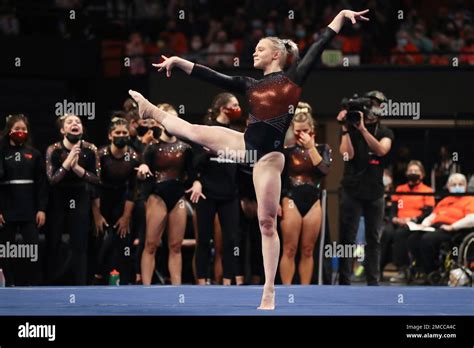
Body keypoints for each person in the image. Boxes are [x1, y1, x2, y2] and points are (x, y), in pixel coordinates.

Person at [130, 9, 370, 309]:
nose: (253, 52)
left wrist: (340, 17)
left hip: (268, 157)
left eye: (260, 49)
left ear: (276, 55)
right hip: (244, 144)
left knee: (266, 223)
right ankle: (151, 111)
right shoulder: (250, 84)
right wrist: (179, 62)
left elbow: (320, 43)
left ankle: (269, 290)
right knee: (191, 131)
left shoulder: (293, 78)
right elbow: (213, 76)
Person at [337, 90, 394, 286]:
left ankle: (373, 281)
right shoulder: (350, 128)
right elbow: (346, 155)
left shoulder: (386, 132)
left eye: (377, 105)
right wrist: (346, 129)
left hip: (375, 191)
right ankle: (344, 281)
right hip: (352, 189)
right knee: (348, 237)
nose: (372, 108)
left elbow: (381, 150)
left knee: (373, 238)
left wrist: (362, 129)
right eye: (370, 104)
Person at [136, 105, 196, 285]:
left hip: (178, 196)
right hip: (157, 196)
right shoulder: (152, 147)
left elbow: (192, 175)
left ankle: (176, 289)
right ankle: (146, 287)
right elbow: (142, 169)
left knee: (175, 246)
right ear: (160, 122)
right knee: (151, 244)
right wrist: (143, 170)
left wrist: (197, 183)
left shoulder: (186, 148)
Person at [192, 93, 244, 286]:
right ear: (223, 108)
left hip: (230, 193)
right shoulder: (207, 130)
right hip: (207, 192)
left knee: (231, 239)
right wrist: (197, 179)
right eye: (235, 105)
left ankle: (228, 280)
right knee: (204, 239)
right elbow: (194, 161)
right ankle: (202, 281)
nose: (239, 108)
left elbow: (242, 166)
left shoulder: (236, 132)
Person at [45, 114, 100, 285]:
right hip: (58, 198)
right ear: (62, 130)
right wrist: (67, 162)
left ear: (82, 129)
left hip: (80, 195)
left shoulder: (90, 149)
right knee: (53, 241)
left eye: (78, 122)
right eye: (70, 122)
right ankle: (50, 283)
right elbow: (52, 180)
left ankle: (80, 284)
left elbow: (97, 179)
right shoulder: (53, 149)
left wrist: (77, 168)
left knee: (80, 243)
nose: (75, 124)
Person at [279, 111, 331, 284]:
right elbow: (280, 178)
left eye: (305, 131)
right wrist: (277, 201)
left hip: (313, 201)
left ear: (312, 129)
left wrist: (311, 148)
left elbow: (323, 170)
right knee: (290, 248)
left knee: (308, 249)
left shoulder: (323, 149)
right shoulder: (287, 151)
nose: (301, 135)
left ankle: (304, 290)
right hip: (291, 199)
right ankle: (286, 290)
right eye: (297, 131)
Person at [0, 114, 48, 286]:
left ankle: (30, 283)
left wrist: (41, 209)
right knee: (6, 249)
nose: (20, 132)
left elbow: (42, 184)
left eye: (23, 129)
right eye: (17, 129)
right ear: (9, 131)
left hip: (29, 209)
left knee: (32, 248)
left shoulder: (34, 154)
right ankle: (10, 282)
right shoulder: (2, 153)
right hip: (7, 209)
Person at [92, 117, 140, 284]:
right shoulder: (101, 155)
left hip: (122, 200)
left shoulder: (133, 157)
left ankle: (124, 280)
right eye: (117, 133)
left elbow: (133, 189)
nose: (121, 135)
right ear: (110, 135)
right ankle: (98, 276)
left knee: (123, 241)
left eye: (124, 133)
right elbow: (94, 186)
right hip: (102, 200)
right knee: (102, 240)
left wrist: (126, 217)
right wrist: (97, 215)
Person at [407, 173, 474, 283]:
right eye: (454, 184)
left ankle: (431, 271)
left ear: (465, 186)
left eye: (460, 184)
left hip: (454, 229)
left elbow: (471, 219)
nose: (457, 186)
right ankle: (421, 268)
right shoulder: (445, 200)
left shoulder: (470, 199)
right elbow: (432, 216)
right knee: (413, 238)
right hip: (436, 227)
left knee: (427, 239)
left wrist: (452, 227)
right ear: (448, 187)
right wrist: (424, 224)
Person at [380, 160, 435, 282]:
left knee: (400, 234)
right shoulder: (400, 189)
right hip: (398, 221)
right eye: (410, 171)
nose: (413, 173)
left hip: (414, 223)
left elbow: (428, 212)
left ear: (422, 174)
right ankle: (377, 268)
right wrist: (394, 218)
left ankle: (402, 269)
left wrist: (412, 219)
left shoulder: (427, 191)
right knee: (386, 232)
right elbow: (393, 208)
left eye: (416, 171)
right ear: (406, 173)